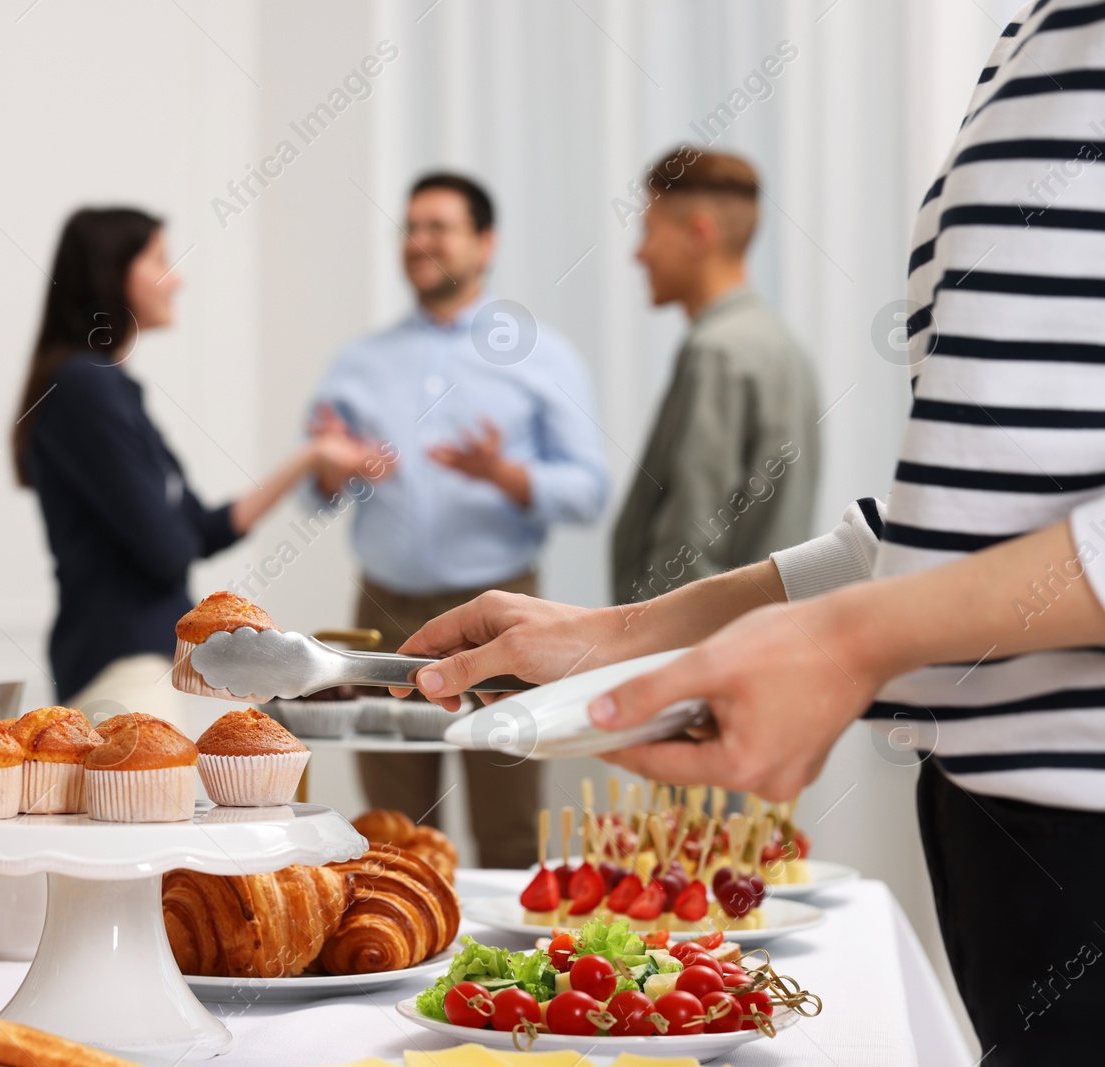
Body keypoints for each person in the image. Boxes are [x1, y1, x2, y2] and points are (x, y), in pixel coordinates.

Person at [396, 6, 1105, 1057]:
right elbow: (941, 532)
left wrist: (845, 643)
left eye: (643, 221)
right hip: (1000, 834)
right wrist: (622, 631)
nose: (629, 245)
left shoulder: (728, 353)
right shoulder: (1034, 34)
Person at [308, 172, 609, 868]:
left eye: (438, 227)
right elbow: (317, 489)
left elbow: (591, 491)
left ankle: (504, 975)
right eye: (410, 229)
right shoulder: (360, 361)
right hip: (384, 612)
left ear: (484, 242)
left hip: (501, 611)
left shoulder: (542, 355)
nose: (419, 243)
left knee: (507, 828)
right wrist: (337, 467)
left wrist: (504, 475)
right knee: (388, 833)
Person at [14, 207, 385, 729]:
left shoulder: (111, 390)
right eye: (161, 260)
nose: (178, 278)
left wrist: (311, 456)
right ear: (111, 271)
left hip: (142, 660)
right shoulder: (87, 387)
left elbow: (201, 531)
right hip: (121, 661)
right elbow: (168, 550)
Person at [612, 148, 821, 607]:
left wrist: (645, 652)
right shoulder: (783, 346)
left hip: (692, 652)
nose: (639, 253)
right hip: (756, 638)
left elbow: (689, 545)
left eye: (648, 231)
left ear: (698, 233)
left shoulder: (715, 353)